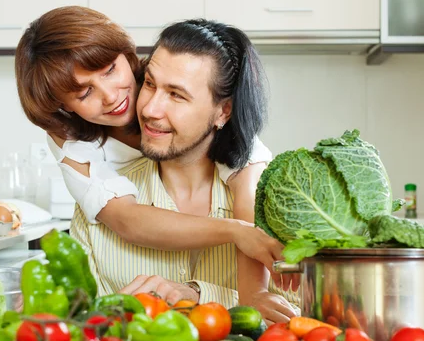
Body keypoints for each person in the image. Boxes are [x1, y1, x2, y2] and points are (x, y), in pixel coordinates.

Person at [65, 18, 298, 322]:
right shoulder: (98, 204)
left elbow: (303, 312)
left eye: (176, 95)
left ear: (222, 111)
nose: (149, 109)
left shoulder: (276, 205)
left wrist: (198, 296)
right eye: (149, 84)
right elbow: (79, 329)